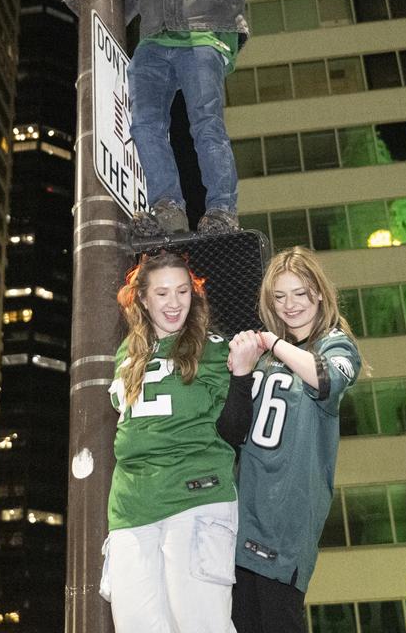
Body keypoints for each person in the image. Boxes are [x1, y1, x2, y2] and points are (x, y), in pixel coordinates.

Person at [65, 0, 340, 235]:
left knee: (206, 123)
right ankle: (168, 209)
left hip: (203, 38)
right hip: (153, 47)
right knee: (143, 125)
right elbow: (116, 10)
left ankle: (222, 211)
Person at [102, 251, 261, 632]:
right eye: (162, 294)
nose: (174, 303)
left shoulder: (214, 347)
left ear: (195, 294)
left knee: (200, 624)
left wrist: (241, 376)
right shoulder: (127, 351)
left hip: (196, 498)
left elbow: (234, 432)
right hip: (131, 506)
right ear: (142, 298)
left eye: (183, 292)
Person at [231, 247, 362, 633]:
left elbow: (326, 379)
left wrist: (273, 344)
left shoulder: (335, 345)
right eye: (280, 296)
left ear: (319, 293)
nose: (290, 305)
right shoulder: (263, 357)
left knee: (278, 621)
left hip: (286, 518)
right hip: (242, 515)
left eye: (300, 293)